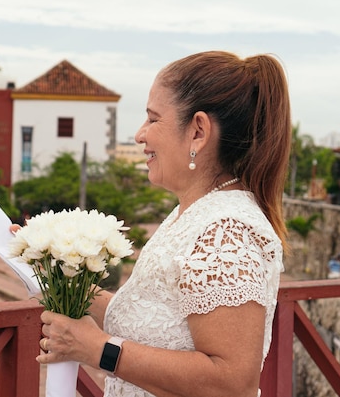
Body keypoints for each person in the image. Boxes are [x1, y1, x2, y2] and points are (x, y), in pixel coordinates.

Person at [36, 51, 291, 396]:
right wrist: (52, 271)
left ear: (198, 131)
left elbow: (231, 382)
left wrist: (99, 350)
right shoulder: (195, 213)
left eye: (153, 120)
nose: (140, 135)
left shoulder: (224, 232)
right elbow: (155, 321)